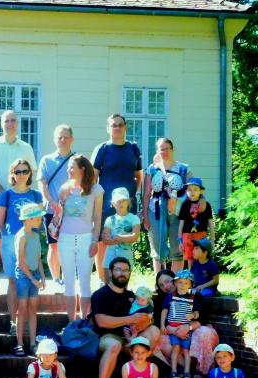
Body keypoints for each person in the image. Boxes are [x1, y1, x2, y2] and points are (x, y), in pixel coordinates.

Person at [90, 257, 159, 378]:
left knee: (154, 331)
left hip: (131, 337)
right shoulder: (100, 295)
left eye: (126, 270)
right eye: (118, 270)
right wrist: (130, 319)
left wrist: (144, 322)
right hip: (108, 337)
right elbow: (101, 321)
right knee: (114, 345)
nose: (122, 273)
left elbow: (147, 318)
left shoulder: (132, 296)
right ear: (110, 272)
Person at [0, 110, 37, 293]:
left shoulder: (26, 147)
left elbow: (31, 173)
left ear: (17, 123)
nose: (10, 124)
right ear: (1, 123)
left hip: (20, 201)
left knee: (23, 239)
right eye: (7, 121)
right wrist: (5, 194)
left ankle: (23, 279)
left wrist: (18, 194)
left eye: (13, 121)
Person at [91, 114, 143, 282]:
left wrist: (134, 194)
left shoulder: (133, 149)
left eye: (120, 125)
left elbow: (139, 175)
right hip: (106, 204)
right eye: (114, 125)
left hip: (127, 205)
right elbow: (93, 177)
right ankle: (104, 282)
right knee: (103, 241)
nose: (118, 128)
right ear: (108, 128)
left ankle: (122, 281)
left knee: (125, 242)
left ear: (125, 127)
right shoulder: (103, 149)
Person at [0, 159, 44, 335]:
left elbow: (39, 220)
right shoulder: (6, 195)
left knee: (29, 278)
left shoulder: (36, 195)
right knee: (12, 280)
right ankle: (13, 322)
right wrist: (7, 237)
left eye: (25, 171)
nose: (22, 174)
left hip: (31, 239)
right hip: (10, 239)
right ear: (13, 174)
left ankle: (25, 322)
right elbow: (0, 220)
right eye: (18, 171)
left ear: (30, 173)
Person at [56, 155, 103, 321]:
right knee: (68, 281)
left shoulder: (96, 190)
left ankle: (84, 320)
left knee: (84, 281)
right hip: (65, 239)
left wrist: (95, 240)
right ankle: (71, 322)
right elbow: (58, 215)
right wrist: (62, 200)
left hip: (86, 239)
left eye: (72, 167)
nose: (69, 170)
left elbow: (97, 217)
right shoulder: (64, 188)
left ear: (82, 169)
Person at [152, 269, 219, 376]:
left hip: (194, 330)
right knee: (158, 339)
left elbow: (204, 317)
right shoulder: (162, 300)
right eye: (161, 285)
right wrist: (173, 330)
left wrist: (189, 327)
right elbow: (159, 321)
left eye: (167, 281)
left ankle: (203, 370)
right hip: (173, 332)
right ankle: (186, 368)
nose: (166, 286)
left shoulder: (194, 295)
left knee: (205, 333)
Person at [142, 138, 195, 273]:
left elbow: (193, 190)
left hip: (178, 211)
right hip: (155, 210)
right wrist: (145, 216)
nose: (165, 152)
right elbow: (147, 193)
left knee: (177, 246)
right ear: (157, 151)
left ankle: (175, 281)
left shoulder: (183, 168)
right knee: (157, 246)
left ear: (173, 149)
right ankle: (160, 281)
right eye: (162, 149)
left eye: (167, 148)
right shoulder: (152, 169)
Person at [38, 124, 75, 286]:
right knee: (53, 246)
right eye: (60, 137)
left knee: (69, 246)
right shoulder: (46, 160)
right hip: (52, 210)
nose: (63, 140)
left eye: (66, 137)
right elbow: (42, 184)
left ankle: (68, 278)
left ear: (72, 139)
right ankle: (56, 279)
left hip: (73, 211)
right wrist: (51, 202)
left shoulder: (77, 160)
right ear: (55, 140)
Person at [14, 203, 47, 356]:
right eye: (37, 218)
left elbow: (38, 259)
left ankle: (33, 343)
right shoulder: (21, 236)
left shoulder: (36, 235)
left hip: (34, 275)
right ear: (28, 219)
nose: (40, 220)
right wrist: (33, 279)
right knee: (22, 309)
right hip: (23, 275)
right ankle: (19, 343)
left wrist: (43, 277)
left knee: (33, 309)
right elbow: (20, 262)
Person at [161, 269, 201, 378]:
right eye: (180, 282)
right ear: (175, 283)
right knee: (176, 348)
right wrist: (162, 325)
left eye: (186, 283)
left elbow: (197, 313)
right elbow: (164, 310)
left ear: (190, 285)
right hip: (173, 327)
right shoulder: (171, 296)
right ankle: (173, 371)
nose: (183, 285)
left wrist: (193, 315)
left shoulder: (192, 297)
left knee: (186, 350)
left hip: (186, 329)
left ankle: (187, 372)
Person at [101, 187, 140, 284]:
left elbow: (134, 237)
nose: (121, 203)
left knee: (123, 284)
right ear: (113, 204)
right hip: (110, 254)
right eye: (118, 201)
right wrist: (125, 238)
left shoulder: (134, 218)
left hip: (126, 254)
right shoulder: (109, 219)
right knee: (108, 284)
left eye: (123, 200)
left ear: (128, 202)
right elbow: (105, 239)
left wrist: (117, 237)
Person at [178, 177, 214, 269]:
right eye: (189, 189)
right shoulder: (184, 205)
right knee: (190, 260)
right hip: (187, 237)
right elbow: (181, 224)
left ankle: (201, 276)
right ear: (186, 191)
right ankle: (192, 277)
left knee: (202, 259)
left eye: (195, 189)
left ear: (201, 191)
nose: (192, 192)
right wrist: (180, 240)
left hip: (201, 236)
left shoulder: (206, 205)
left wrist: (212, 239)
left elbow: (210, 223)